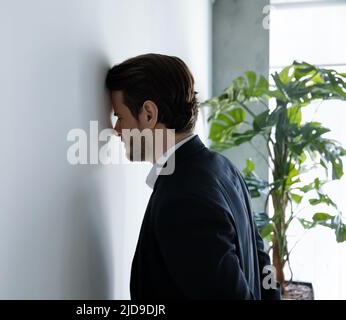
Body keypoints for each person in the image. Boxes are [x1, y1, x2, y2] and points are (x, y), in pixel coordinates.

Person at [105, 53, 280, 300]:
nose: (116, 130)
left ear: (148, 114)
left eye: (119, 117)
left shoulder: (182, 199)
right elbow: (263, 263)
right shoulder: (223, 167)